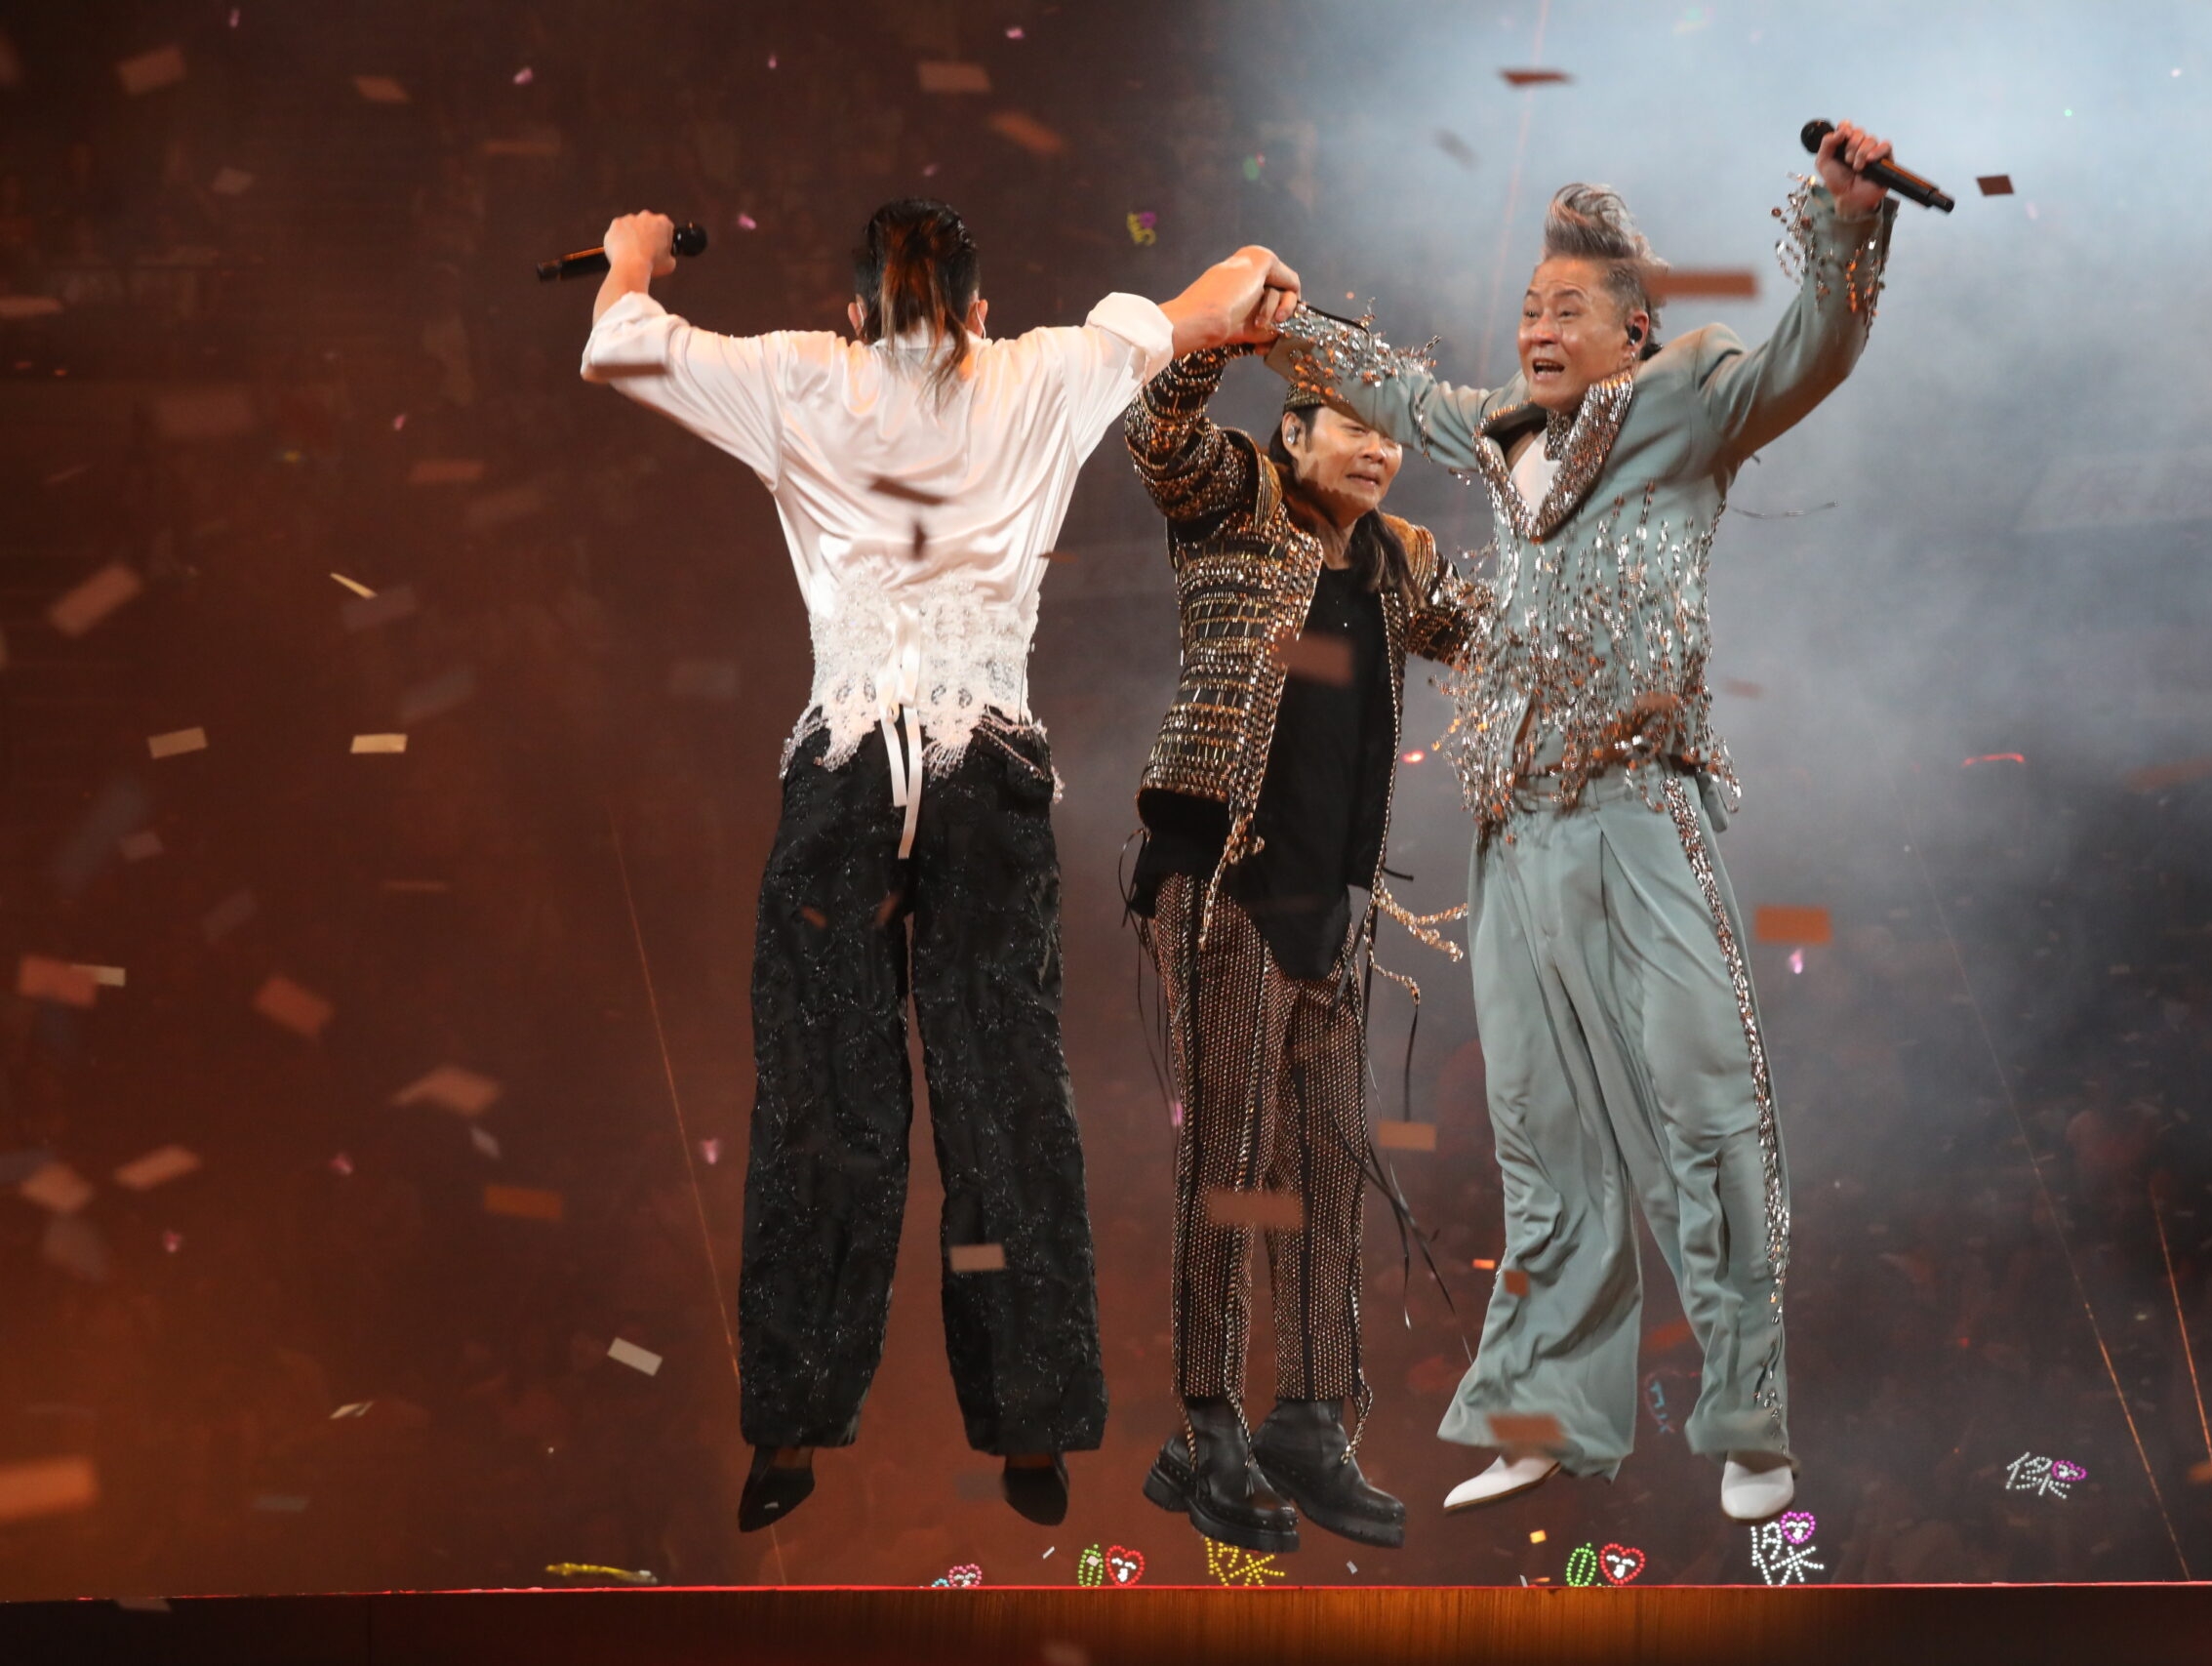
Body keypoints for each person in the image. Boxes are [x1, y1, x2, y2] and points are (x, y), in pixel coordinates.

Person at [580, 198, 1301, 1533]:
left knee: (823, 1098)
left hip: (845, 779)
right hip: (987, 784)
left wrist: (637, 250)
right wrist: (1259, 285)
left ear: (856, 307)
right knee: (1006, 1095)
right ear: (976, 308)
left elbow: (619, 344)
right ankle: (1034, 1430)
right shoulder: (1045, 368)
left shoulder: (803, 371)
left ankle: (791, 1429)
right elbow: (1225, 285)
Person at [1264, 123, 1900, 1523]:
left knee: (1704, 1111)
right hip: (1516, 832)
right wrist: (1283, 324)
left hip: (1636, 809)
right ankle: (1547, 1413)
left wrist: (1847, 218)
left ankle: (1747, 1420)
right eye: (1528, 307)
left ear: (1632, 329)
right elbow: (1404, 391)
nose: (1537, 329)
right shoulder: (1505, 430)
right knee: (1541, 1131)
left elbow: (1813, 353)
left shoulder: (1690, 397)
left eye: (1566, 310)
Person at [1120, 346, 1479, 1552]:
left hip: (1333, 897)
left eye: (1394, 435)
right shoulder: (1238, 501)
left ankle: (1310, 1418)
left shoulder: (1395, 559)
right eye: (1357, 427)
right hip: (1226, 872)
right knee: (1231, 1160)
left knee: (1328, 1166)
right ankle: (1208, 1422)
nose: (1381, 451)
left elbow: (1494, 638)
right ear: (1294, 431)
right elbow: (1158, 436)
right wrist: (1219, 336)